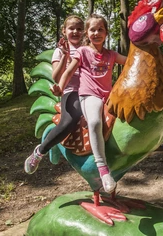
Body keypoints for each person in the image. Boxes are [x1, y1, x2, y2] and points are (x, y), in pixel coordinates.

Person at [51, 14, 127, 193]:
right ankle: (103, 169)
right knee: (94, 122)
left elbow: (130, 61)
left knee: (130, 111)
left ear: (106, 33)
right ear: (87, 33)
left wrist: (148, 51)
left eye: (100, 29)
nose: (96, 33)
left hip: (108, 96)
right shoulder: (82, 51)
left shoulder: (111, 55)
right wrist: (60, 87)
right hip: (89, 95)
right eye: (92, 29)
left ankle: (150, 142)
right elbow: (69, 72)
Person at [24, 15, 84, 174]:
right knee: (68, 121)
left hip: (90, 91)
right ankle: (40, 152)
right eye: (72, 28)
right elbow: (56, 77)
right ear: (64, 31)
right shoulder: (60, 51)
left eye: (79, 28)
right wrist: (65, 56)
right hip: (71, 92)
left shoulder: (87, 48)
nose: (75, 31)